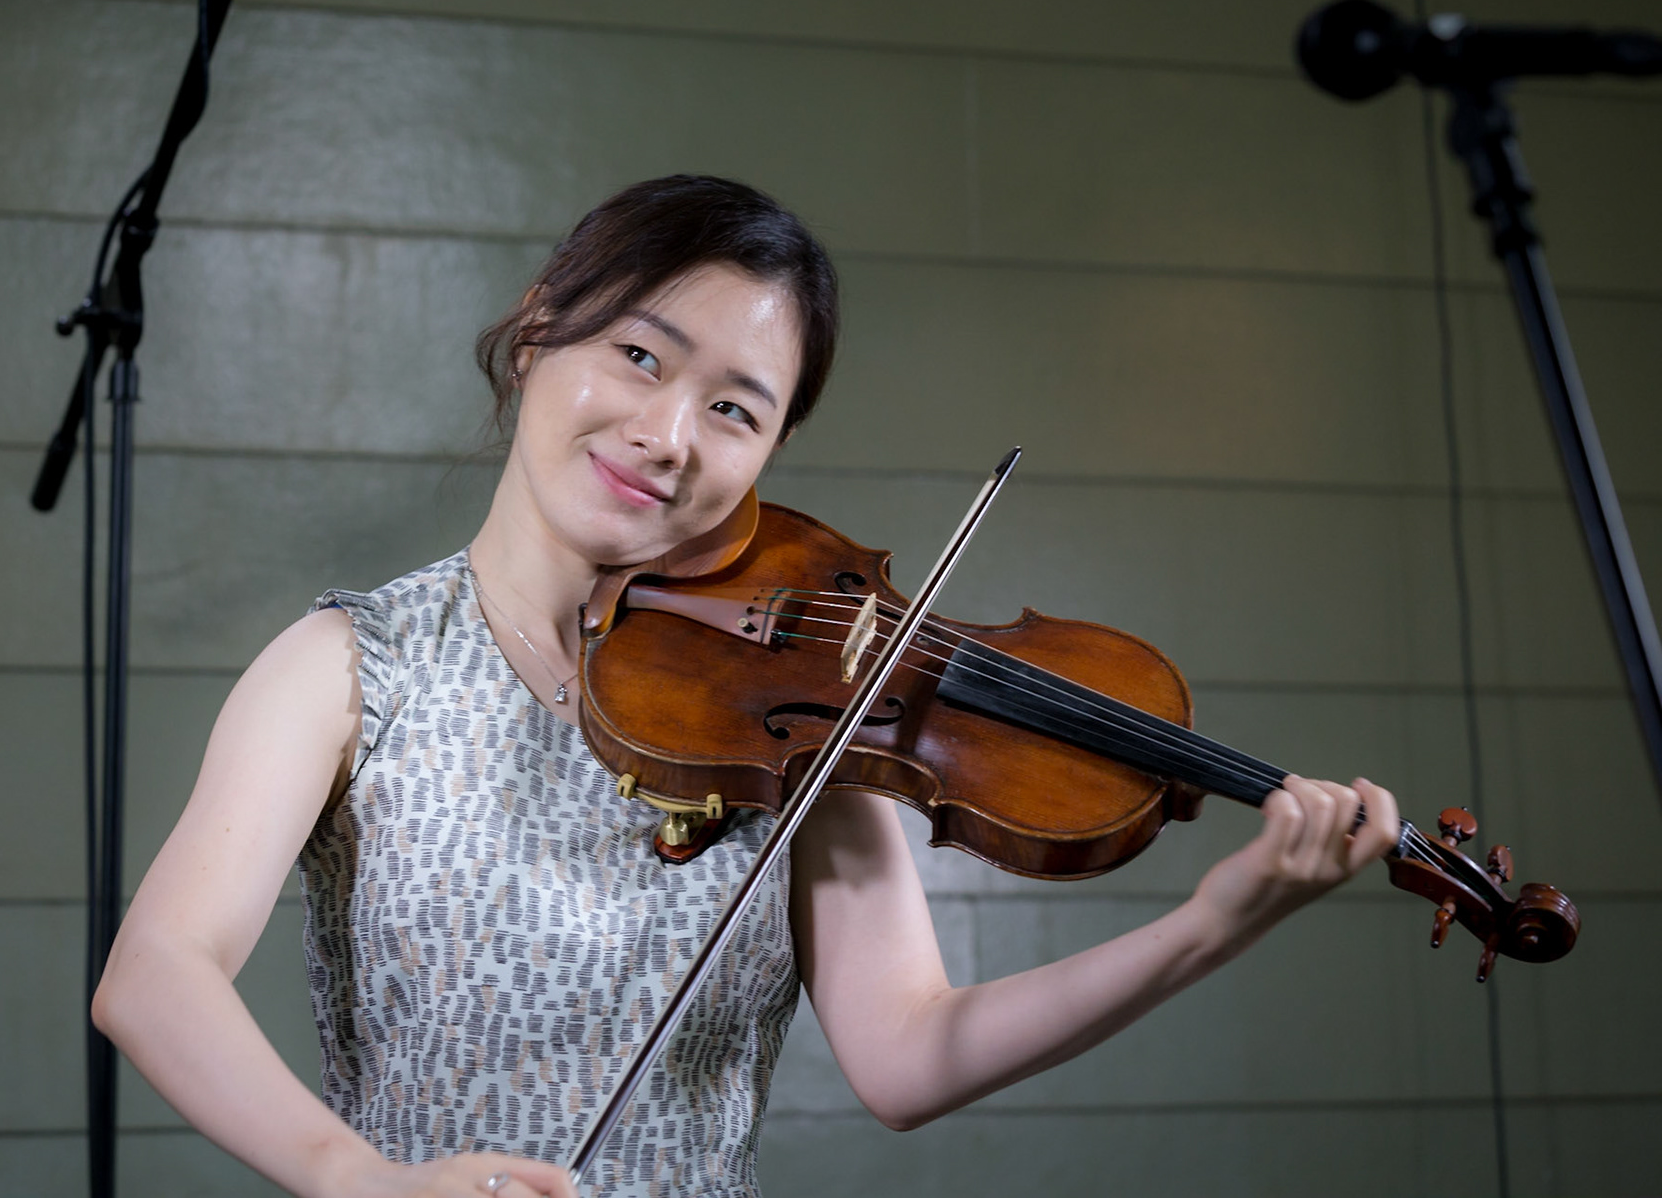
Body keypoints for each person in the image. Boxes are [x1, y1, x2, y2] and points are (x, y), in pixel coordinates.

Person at [92, 175, 1400, 1198]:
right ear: (542, 330)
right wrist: (358, 1180)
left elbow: (910, 1054)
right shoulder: (347, 669)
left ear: (771, 449)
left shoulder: (792, 718)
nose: (666, 438)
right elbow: (156, 972)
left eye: (736, 409)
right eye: (644, 358)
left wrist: (1215, 923)